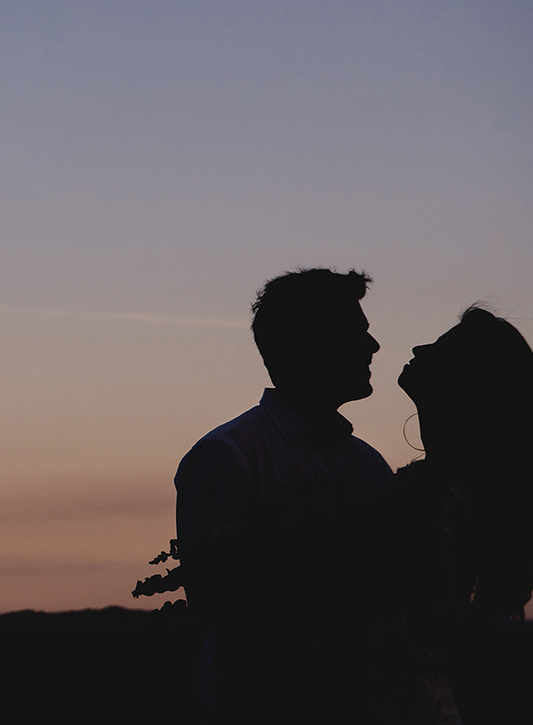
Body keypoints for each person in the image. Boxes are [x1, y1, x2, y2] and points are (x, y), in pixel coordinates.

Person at [174, 268, 393, 723]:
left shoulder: (368, 465)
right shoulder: (228, 455)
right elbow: (216, 599)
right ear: (309, 345)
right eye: (356, 333)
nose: (372, 347)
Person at [368, 306, 533, 723]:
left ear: (467, 383)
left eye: (440, 348)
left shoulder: (436, 494)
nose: (419, 347)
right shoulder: (456, 487)